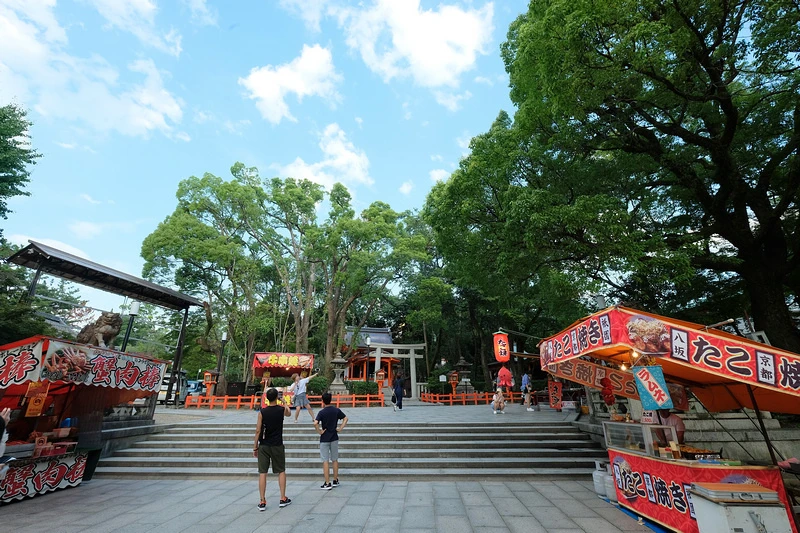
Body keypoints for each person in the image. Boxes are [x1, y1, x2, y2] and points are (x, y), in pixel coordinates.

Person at [253, 388, 292, 511]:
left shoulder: (262, 412)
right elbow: (289, 413)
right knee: (281, 470)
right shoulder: (281, 410)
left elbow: (258, 430)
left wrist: (255, 446)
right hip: (277, 444)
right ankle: (282, 498)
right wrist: (283, 402)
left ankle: (262, 500)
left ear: (266, 398)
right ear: (277, 397)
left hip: (264, 445)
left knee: (262, 472)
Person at [314, 392, 348, 490]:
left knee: (325, 460)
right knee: (335, 459)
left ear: (323, 401)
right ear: (331, 399)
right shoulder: (336, 410)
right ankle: (335, 479)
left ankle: (327, 482)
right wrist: (340, 428)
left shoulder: (322, 412)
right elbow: (345, 418)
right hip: (334, 437)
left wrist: (319, 431)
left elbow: (315, 423)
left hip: (324, 438)